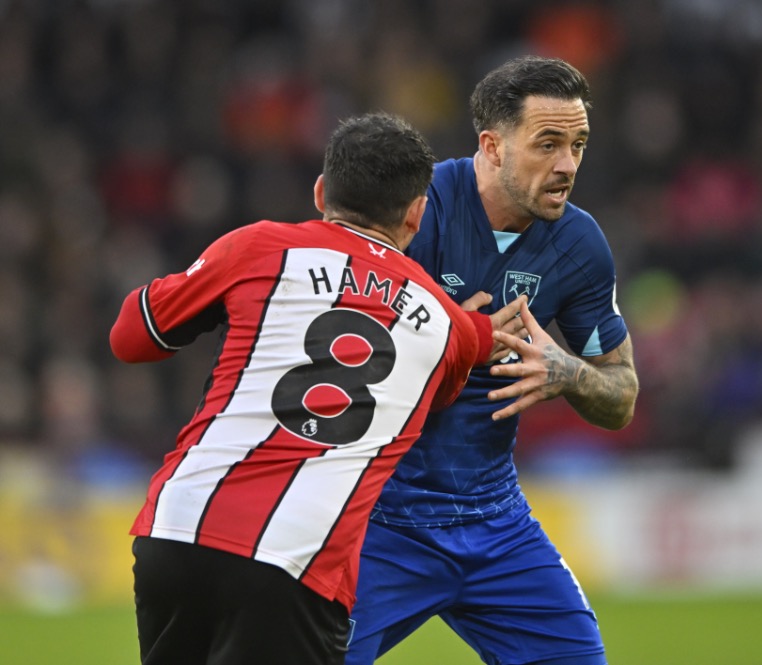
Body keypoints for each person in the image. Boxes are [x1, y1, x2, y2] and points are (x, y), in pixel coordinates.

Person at [109, 112, 526, 665]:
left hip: (177, 527)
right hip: (295, 559)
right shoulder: (445, 324)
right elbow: (456, 367)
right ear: (416, 214)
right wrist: (475, 332)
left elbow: (129, 340)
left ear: (321, 191)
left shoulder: (256, 247)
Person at [346, 56, 639, 665]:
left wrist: (568, 373)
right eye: (549, 144)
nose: (568, 165)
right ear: (493, 145)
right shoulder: (412, 210)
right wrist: (456, 334)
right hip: (378, 521)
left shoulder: (579, 245)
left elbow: (622, 396)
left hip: (496, 524)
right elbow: (336, 348)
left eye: (578, 144)